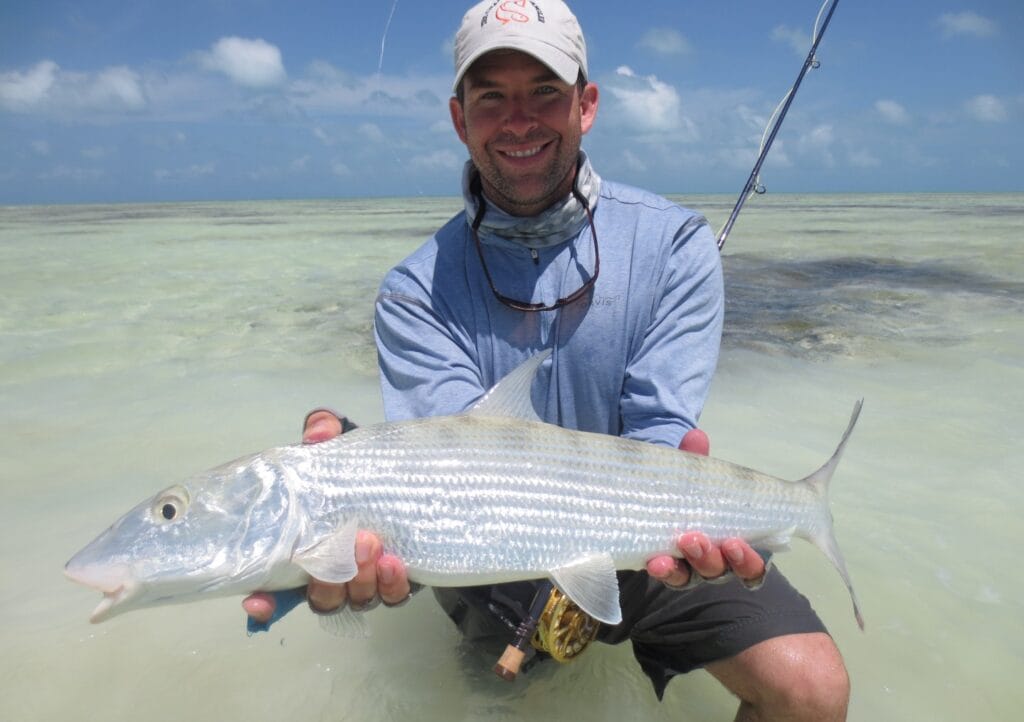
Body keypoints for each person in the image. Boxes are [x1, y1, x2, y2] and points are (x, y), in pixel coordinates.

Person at [245, 1, 850, 718]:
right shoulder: (413, 291)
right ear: (458, 118)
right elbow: (457, 468)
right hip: (490, 541)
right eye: (492, 97)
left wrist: (682, 536)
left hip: (648, 528)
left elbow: (660, 428)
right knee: (500, 706)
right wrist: (348, 508)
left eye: (544, 94)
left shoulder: (676, 246)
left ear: (586, 105)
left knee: (812, 689)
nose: (519, 120)